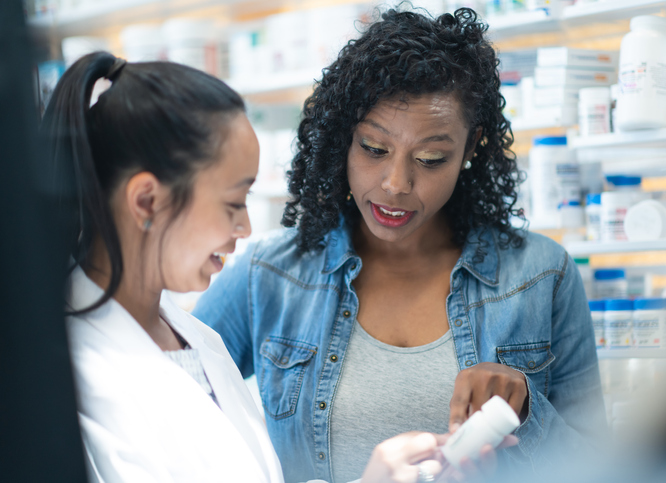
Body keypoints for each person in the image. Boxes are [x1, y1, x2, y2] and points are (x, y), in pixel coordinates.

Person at [193, 6, 607, 483]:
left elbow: (598, 466)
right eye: (373, 149)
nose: (395, 184)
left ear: (471, 148)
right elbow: (167, 413)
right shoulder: (272, 273)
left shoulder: (540, 274)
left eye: (431, 158)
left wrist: (527, 409)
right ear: (343, 138)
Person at [45, 51, 489, 483]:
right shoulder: (69, 381)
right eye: (233, 202)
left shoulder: (198, 341)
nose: (245, 227)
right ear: (147, 201)